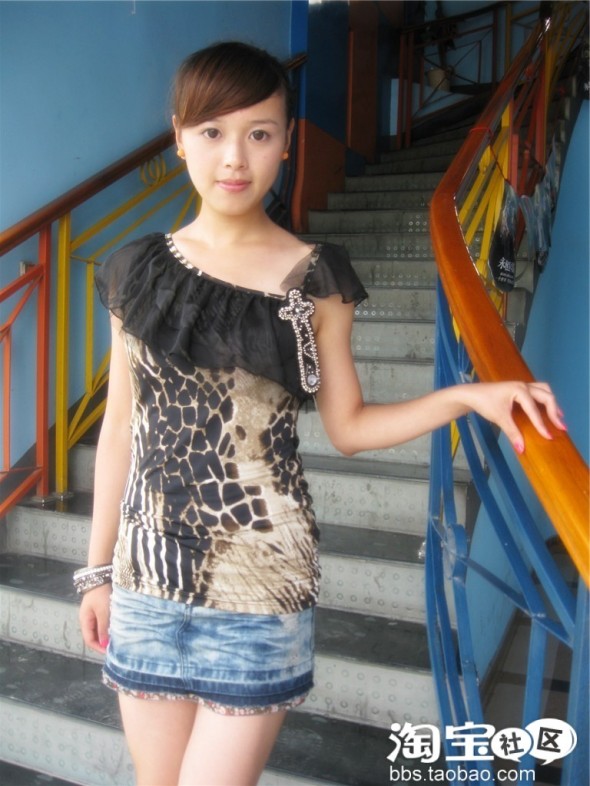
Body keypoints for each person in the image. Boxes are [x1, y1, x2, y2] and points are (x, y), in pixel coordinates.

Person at [77, 41, 566, 786]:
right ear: (179, 137)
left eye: (259, 133)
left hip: (260, 584)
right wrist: (96, 572)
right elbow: (121, 429)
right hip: (145, 579)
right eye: (212, 131)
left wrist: (469, 396)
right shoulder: (133, 269)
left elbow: (350, 427)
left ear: (286, 142)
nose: (234, 157)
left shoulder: (315, 278)